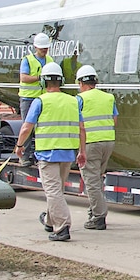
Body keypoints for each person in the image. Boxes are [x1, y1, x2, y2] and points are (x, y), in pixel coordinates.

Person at [11, 62, 86, 241]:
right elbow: (82, 129)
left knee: (52, 191)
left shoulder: (40, 101)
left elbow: (26, 127)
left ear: (43, 82)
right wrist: (82, 151)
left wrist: (20, 146)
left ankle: (62, 226)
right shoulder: (73, 101)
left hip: (48, 153)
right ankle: (50, 222)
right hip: (67, 153)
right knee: (57, 190)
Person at [75, 64, 115, 231]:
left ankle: (99, 216)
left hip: (90, 143)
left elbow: (79, 125)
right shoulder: (108, 98)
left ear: (81, 83)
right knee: (98, 178)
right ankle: (94, 211)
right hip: (108, 142)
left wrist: (80, 148)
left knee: (91, 181)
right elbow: (114, 120)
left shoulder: (80, 99)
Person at [18, 34, 54, 161]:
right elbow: (24, 78)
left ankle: (40, 154)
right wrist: (40, 78)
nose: (44, 50)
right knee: (27, 127)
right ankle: (25, 156)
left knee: (43, 127)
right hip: (28, 98)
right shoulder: (27, 60)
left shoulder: (50, 60)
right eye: (42, 48)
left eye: (46, 48)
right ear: (36, 47)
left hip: (44, 99)